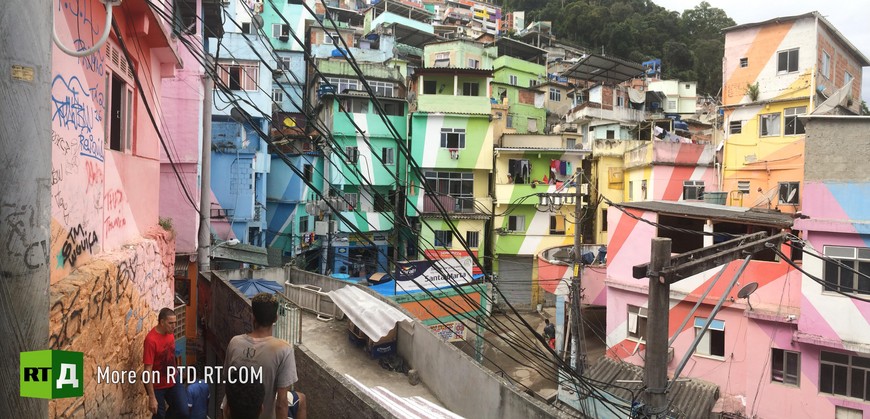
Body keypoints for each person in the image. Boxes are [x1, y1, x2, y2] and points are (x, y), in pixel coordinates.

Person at [222, 293, 307, 419]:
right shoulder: (283, 349)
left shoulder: (235, 342)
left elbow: (227, 382)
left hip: (234, 412)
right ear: (276, 318)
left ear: (253, 317)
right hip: (263, 415)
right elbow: (281, 403)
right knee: (301, 398)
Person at [144, 308, 188, 419]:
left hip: (173, 379)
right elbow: (147, 370)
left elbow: (171, 355)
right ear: (162, 322)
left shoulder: (170, 334)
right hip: (157, 385)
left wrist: (177, 370)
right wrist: (152, 397)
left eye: (175, 323)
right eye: (170, 323)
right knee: (159, 416)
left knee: (183, 411)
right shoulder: (151, 340)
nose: (174, 326)